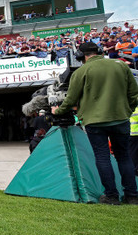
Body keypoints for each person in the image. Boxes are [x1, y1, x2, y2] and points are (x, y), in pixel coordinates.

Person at [54, 42, 138, 205]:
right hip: (120, 119)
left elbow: (70, 99)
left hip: (95, 122)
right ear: (99, 52)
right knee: (124, 156)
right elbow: (134, 94)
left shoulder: (81, 72)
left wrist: (57, 111)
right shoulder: (121, 66)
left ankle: (111, 196)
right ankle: (132, 195)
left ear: (80, 56)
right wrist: (127, 111)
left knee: (102, 157)